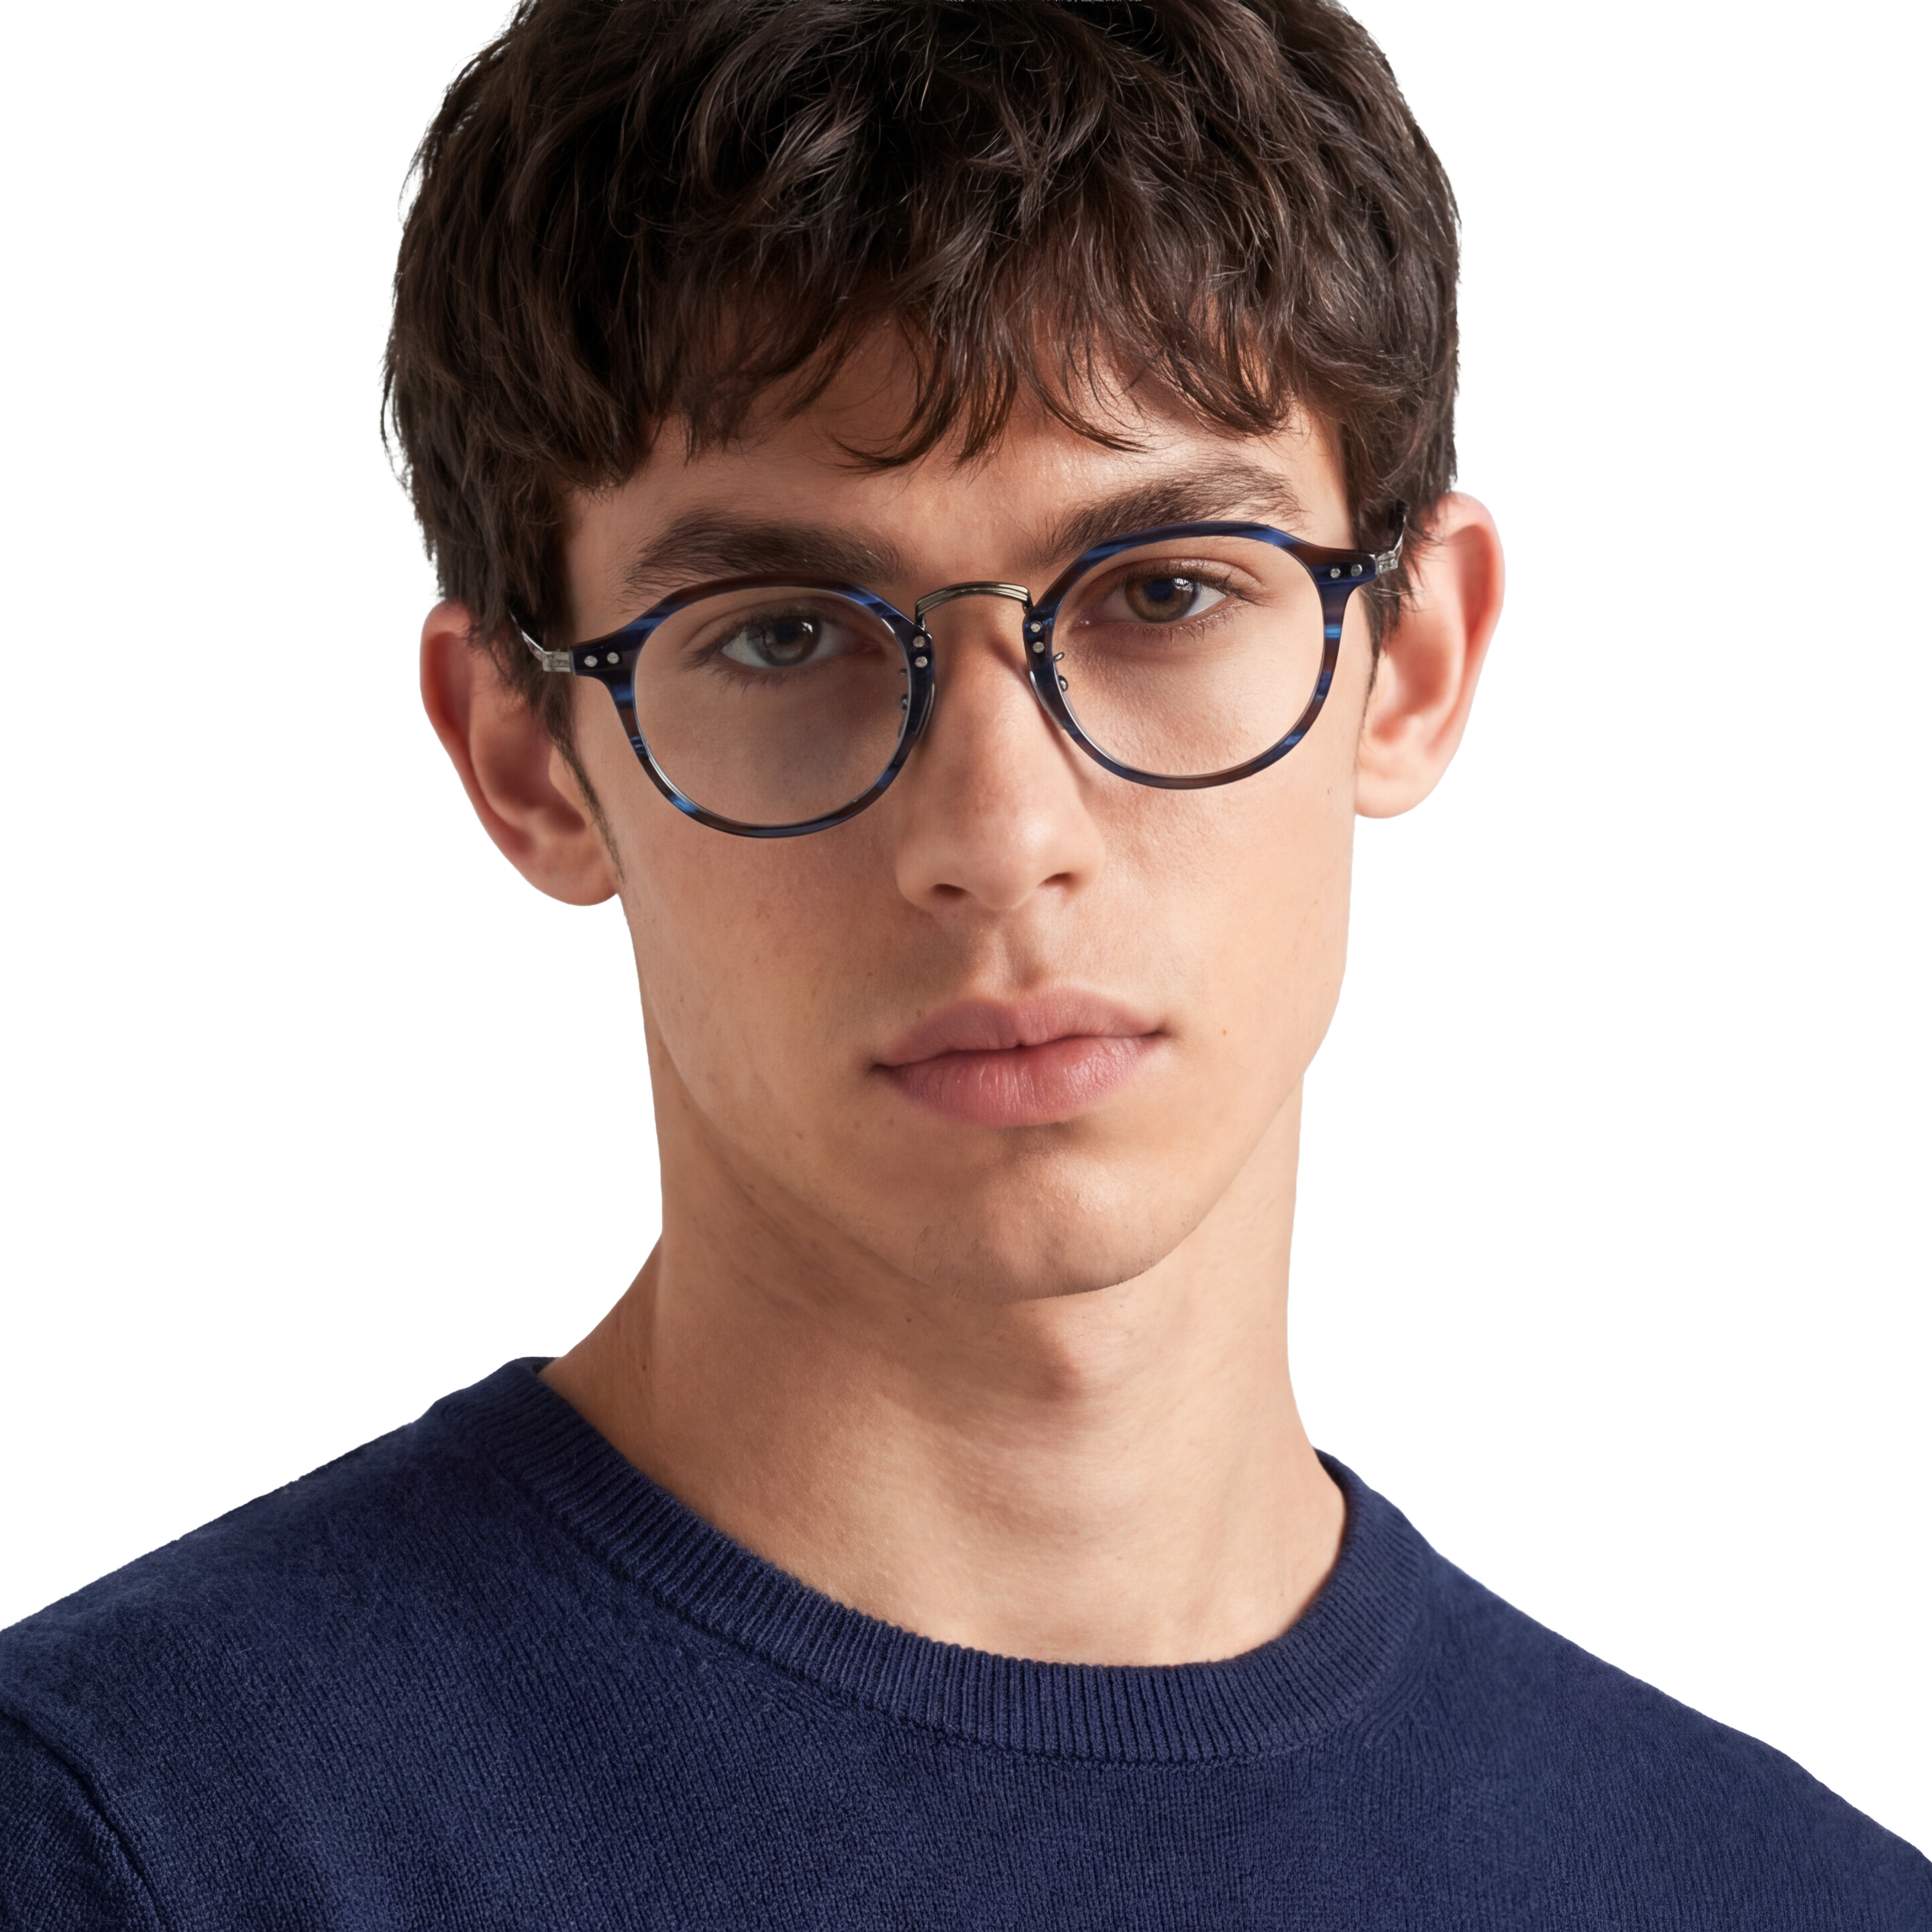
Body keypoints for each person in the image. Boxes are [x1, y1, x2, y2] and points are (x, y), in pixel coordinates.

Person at [1, 0, 1924, 1923]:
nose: (1000, 837)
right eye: (781, 633)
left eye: (1168, 591)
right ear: (527, 755)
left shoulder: (1793, 1903)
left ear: (1410, 663)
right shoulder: (131, 1852)